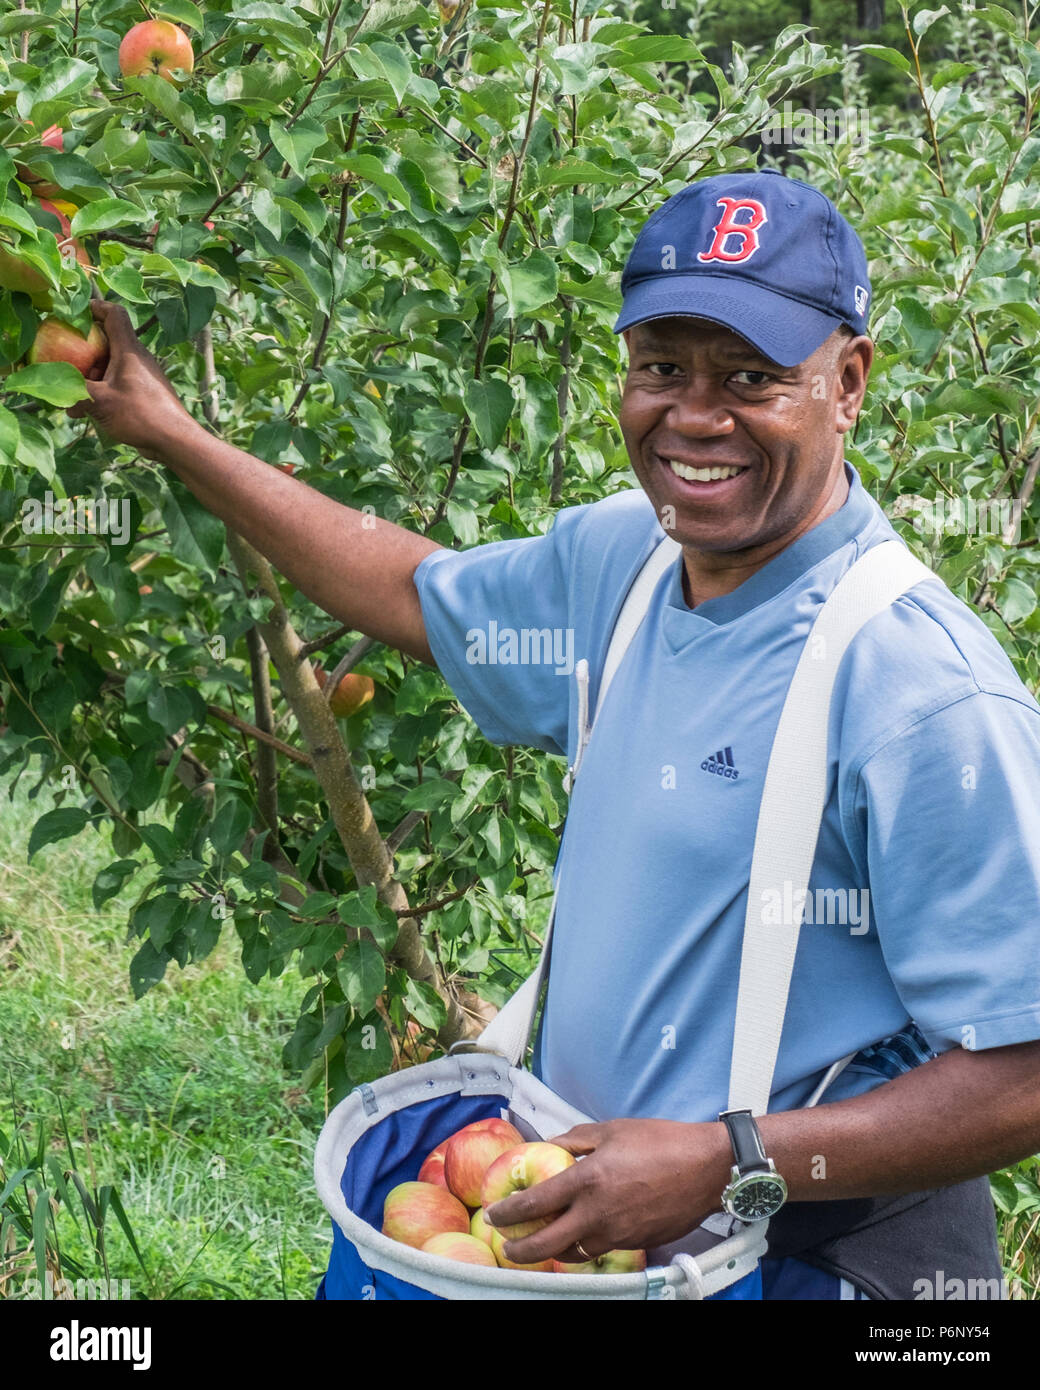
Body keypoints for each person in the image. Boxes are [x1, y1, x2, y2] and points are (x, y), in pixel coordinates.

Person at [72, 169, 1040, 1302]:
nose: (693, 415)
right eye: (660, 368)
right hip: (613, 1248)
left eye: (752, 377)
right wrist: (170, 432)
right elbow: (410, 587)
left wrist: (731, 1163)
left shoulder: (917, 686)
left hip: (814, 1257)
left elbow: (1020, 1073)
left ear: (848, 383)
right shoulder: (624, 562)